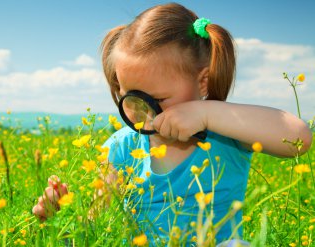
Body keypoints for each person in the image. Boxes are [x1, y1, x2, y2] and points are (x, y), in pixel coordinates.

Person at [33, 3, 312, 246]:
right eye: (129, 96)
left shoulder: (224, 135)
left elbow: (298, 138)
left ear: (202, 82)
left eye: (158, 98)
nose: (144, 109)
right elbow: (97, 225)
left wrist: (207, 113)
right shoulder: (121, 149)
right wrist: (63, 217)